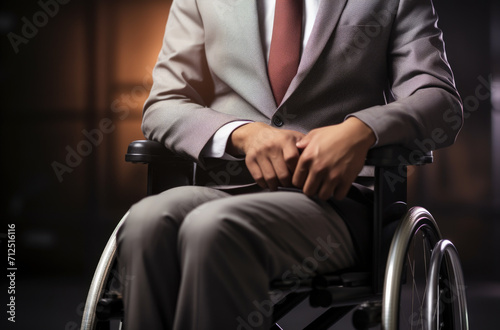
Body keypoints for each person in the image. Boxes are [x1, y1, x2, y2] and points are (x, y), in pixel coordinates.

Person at [117, 0, 463, 329]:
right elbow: (164, 103)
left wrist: (361, 130)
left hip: (335, 202)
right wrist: (242, 134)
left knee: (213, 227)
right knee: (146, 221)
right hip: (225, 187)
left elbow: (438, 99)